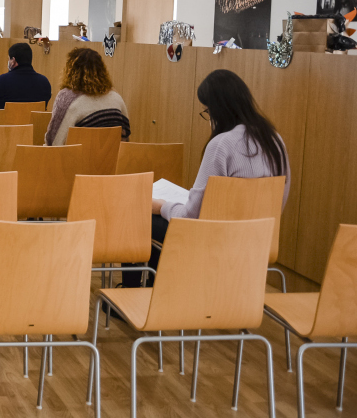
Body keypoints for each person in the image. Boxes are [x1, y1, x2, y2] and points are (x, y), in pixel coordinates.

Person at [120, 69, 290, 288]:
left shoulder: (222, 145)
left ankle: (137, 293)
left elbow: (191, 216)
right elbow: (281, 199)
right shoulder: (275, 140)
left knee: (142, 217)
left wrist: (161, 206)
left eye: (208, 111)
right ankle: (155, 289)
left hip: (214, 238)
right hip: (260, 239)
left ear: (219, 109)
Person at [45, 47, 129, 145]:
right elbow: (125, 138)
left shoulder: (66, 98)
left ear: (70, 71)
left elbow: (54, 141)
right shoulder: (116, 98)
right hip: (111, 159)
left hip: (78, 159)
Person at [0, 42, 51, 110]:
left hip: (4, 121)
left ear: (13, 61)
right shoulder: (44, 83)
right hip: (34, 121)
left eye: (9, 59)